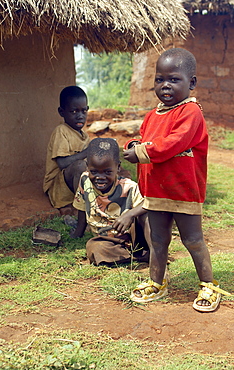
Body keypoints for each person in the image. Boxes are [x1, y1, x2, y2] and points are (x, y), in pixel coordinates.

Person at [123, 48, 230, 312]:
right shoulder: (152, 115)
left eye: (173, 79)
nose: (165, 85)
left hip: (183, 190)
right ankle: (156, 282)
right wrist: (134, 144)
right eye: (160, 79)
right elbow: (145, 137)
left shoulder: (191, 113)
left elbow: (173, 143)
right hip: (157, 191)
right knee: (157, 240)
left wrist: (141, 151)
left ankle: (208, 284)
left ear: (191, 83)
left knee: (193, 240)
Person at [71, 137, 151, 266]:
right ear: (87, 167)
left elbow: (149, 203)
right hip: (105, 240)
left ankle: (152, 252)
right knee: (95, 249)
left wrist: (130, 215)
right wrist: (77, 234)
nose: (100, 178)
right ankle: (136, 256)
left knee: (147, 216)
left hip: (131, 237)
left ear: (118, 167)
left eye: (108, 172)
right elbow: (81, 207)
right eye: (94, 171)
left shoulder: (128, 187)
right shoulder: (85, 180)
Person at [43, 86, 90, 215]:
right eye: (74, 111)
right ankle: (82, 211)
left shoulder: (84, 136)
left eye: (83, 111)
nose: (80, 116)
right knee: (80, 166)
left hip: (74, 185)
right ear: (62, 112)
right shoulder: (61, 131)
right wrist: (87, 153)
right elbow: (62, 163)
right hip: (59, 188)